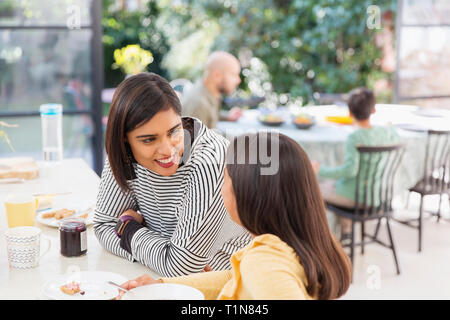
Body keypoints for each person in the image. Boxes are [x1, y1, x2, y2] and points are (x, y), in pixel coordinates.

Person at [119, 132, 352, 300]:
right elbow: (234, 278)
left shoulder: (264, 262)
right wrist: (162, 286)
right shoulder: (285, 247)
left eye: (226, 177)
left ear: (246, 195)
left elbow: (259, 274)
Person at [94, 72, 251, 277]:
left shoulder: (210, 162)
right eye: (149, 140)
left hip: (226, 287)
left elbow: (182, 269)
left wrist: (128, 229)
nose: (168, 150)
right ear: (125, 141)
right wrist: (169, 254)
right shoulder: (124, 156)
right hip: (159, 279)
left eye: (174, 131)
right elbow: (103, 226)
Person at [313, 87, 400, 242]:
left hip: (355, 199)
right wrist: (389, 126)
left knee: (313, 189)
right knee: (336, 184)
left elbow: (350, 171)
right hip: (377, 197)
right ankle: (346, 231)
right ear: (373, 110)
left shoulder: (355, 137)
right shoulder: (385, 133)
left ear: (350, 113)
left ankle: (322, 241)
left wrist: (320, 170)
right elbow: (394, 133)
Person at [181, 51, 243, 129]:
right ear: (217, 76)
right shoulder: (199, 104)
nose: (238, 80)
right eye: (233, 74)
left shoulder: (210, 93)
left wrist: (228, 116)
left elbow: (209, 115)